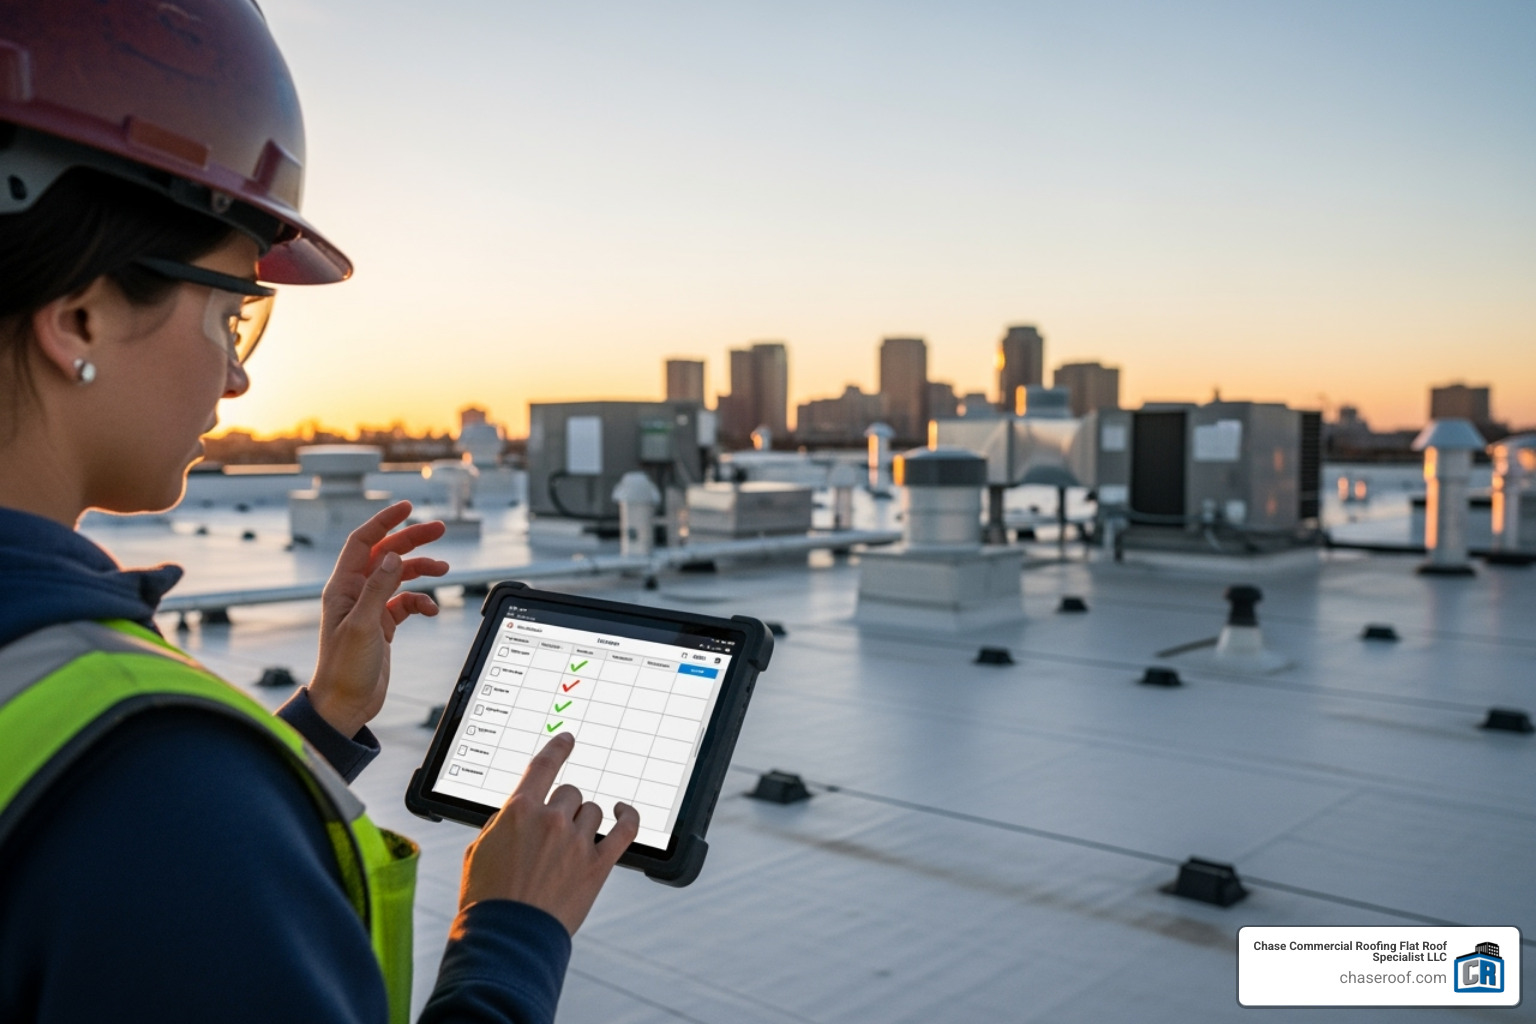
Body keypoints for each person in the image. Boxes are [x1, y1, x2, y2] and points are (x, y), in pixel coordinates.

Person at [0, 2, 639, 1021]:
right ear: (80, 314)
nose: (240, 378)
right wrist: (513, 930)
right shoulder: (159, 796)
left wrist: (322, 723)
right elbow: (143, 844)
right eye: (233, 311)